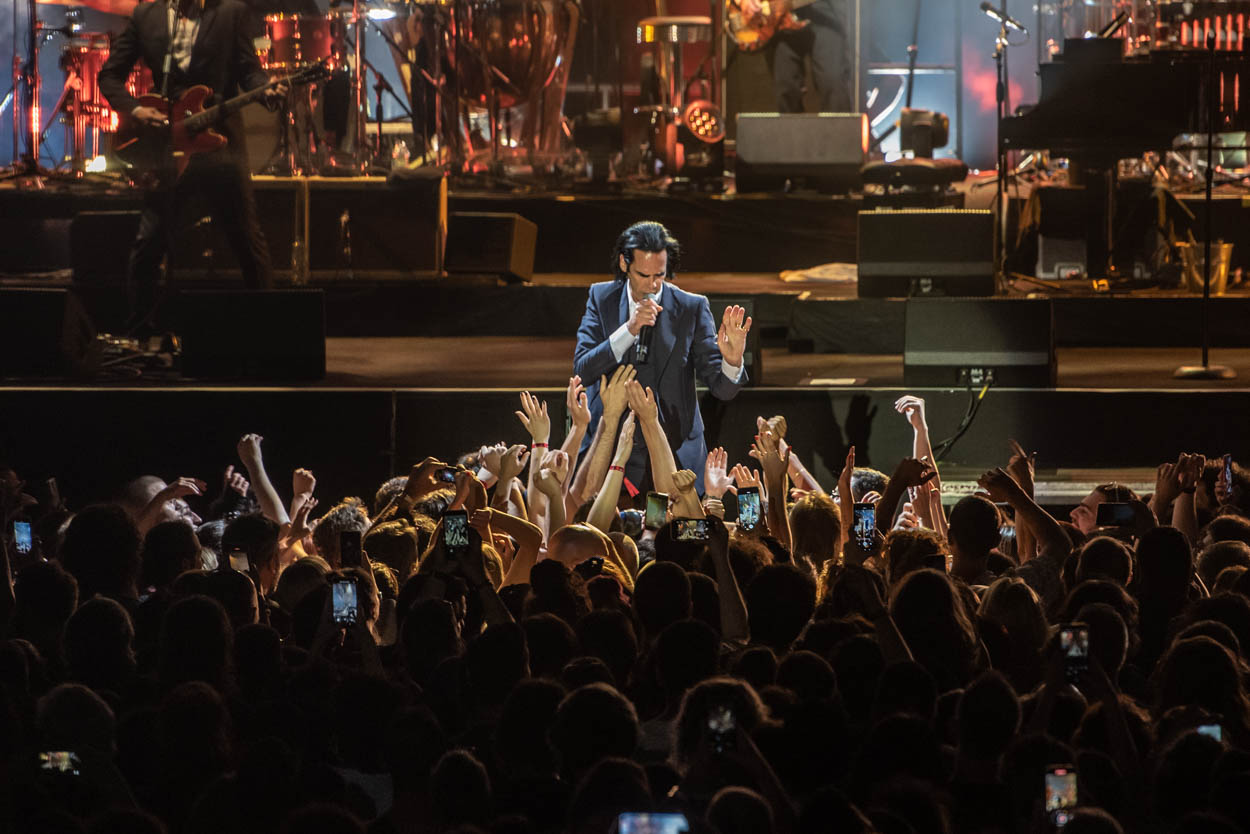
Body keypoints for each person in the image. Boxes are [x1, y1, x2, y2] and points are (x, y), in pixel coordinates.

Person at [98, 0, 286, 334]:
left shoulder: (230, 12)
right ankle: (139, 333)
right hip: (167, 143)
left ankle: (267, 331)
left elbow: (248, 69)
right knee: (150, 241)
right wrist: (136, 110)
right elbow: (110, 75)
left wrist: (264, 88)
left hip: (221, 140)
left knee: (245, 236)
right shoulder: (147, 15)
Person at [573, 221, 752, 492]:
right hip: (610, 455)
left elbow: (722, 390)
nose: (653, 285)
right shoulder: (601, 298)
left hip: (675, 455)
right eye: (644, 275)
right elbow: (583, 370)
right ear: (624, 264)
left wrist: (733, 361)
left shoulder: (692, 307)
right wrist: (629, 330)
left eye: (660, 275)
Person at [735, 0, 853, 113]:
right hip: (777, 18)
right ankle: (791, 133)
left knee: (833, 82)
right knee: (785, 87)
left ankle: (836, 132)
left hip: (823, 13)